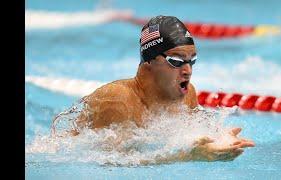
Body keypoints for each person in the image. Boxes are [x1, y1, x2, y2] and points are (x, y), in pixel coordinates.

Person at [66, 15, 254, 163]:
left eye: (192, 61)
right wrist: (191, 156)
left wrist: (221, 140)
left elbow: (196, 137)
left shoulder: (188, 94)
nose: (188, 70)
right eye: (177, 61)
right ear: (149, 61)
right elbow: (114, 165)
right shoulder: (117, 99)